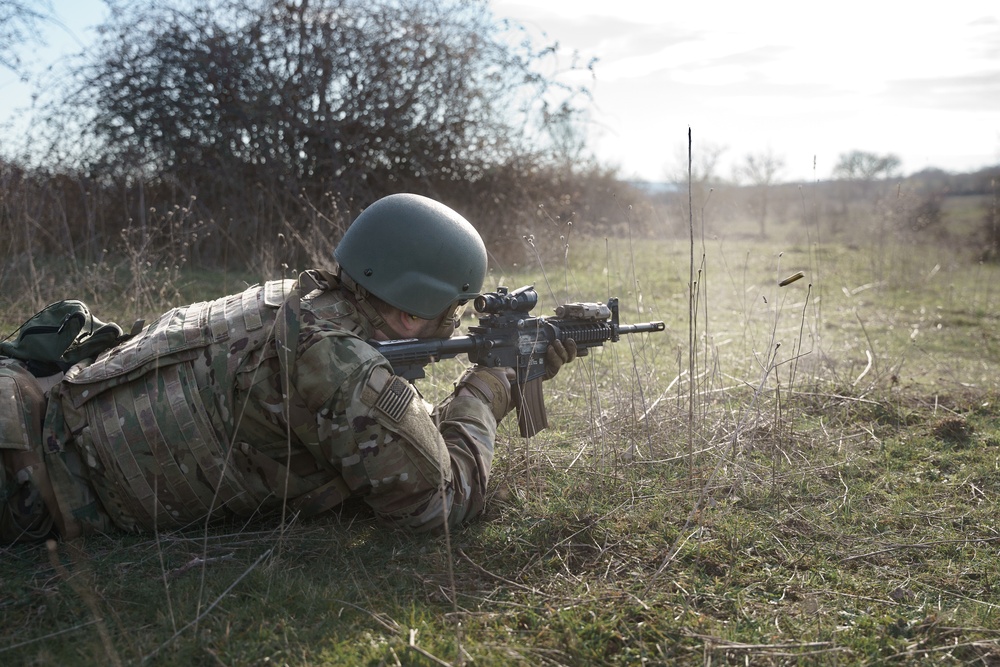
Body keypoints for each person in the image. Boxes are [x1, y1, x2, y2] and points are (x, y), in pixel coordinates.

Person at [0, 193, 576, 544]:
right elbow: (438, 503)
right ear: (406, 312)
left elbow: (379, 421)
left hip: (35, 406)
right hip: (29, 486)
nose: (454, 323)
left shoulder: (295, 301)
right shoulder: (344, 369)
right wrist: (489, 387)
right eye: (452, 311)